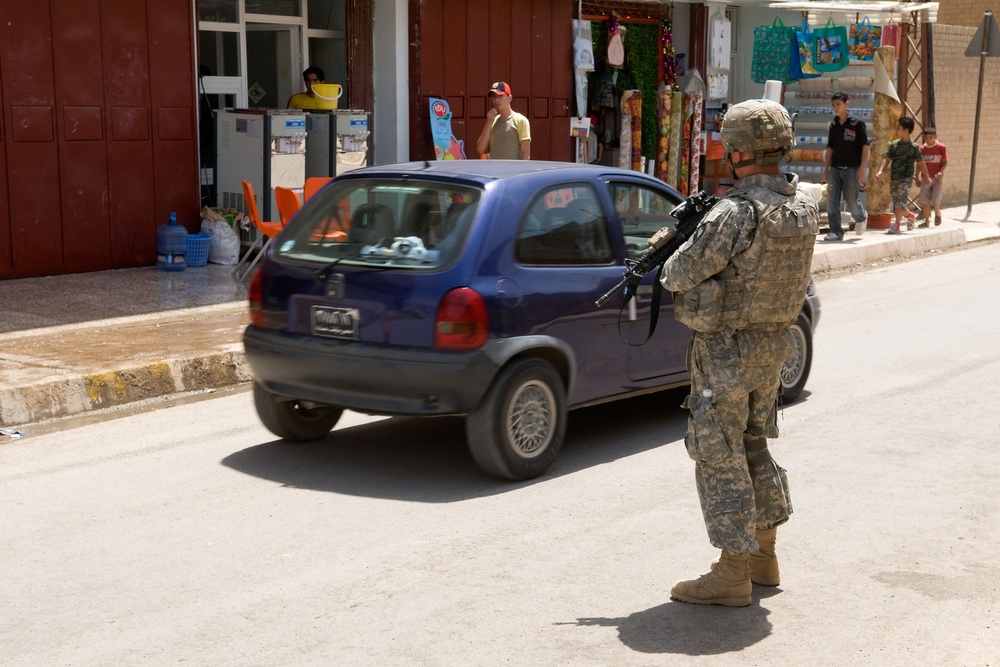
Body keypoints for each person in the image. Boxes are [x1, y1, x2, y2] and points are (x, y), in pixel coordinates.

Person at [660, 99, 819, 607]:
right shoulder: (802, 205)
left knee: (716, 451)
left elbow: (677, 275)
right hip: (772, 348)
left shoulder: (735, 212)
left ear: (735, 150)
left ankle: (731, 572)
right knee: (753, 442)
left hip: (725, 351)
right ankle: (763, 556)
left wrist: (675, 245)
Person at [822, 91, 869, 240]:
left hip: (851, 168)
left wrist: (862, 167)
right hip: (835, 168)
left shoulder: (857, 124)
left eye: (838, 104)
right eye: (833, 105)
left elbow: (865, 147)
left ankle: (861, 217)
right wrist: (826, 170)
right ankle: (836, 231)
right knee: (832, 200)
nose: (835, 108)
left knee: (851, 199)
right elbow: (830, 147)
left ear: (846, 104)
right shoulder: (833, 125)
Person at [875, 117, 930, 235]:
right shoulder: (894, 145)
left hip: (906, 178)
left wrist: (926, 177)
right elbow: (887, 158)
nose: (897, 130)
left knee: (900, 201)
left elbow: (921, 163)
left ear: (906, 130)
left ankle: (897, 225)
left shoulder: (914, 147)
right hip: (895, 177)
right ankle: (910, 215)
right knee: (898, 203)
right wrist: (880, 171)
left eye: (899, 128)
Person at [476, 81, 531, 160]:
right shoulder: (492, 120)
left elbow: (526, 153)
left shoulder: (520, 120)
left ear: (509, 98)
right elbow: (480, 149)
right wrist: (488, 123)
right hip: (495, 170)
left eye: (500, 96)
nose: (496, 100)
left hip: (513, 171)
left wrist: (522, 171)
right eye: (494, 97)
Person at [917, 127, 948, 227]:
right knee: (924, 200)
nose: (929, 140)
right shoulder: (922, 149)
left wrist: (941, 172)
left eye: (931, 138)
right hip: (925, 178)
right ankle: (927, 220)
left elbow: (945, 162)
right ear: (924, 138)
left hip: (937, 178)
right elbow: (919, 164)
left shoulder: (941, 147)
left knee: (936, 198)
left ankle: (937, 214)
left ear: (935, 136)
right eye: (927, 138)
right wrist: (917, 177)